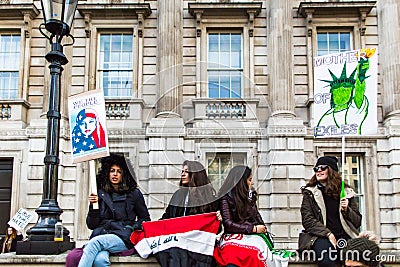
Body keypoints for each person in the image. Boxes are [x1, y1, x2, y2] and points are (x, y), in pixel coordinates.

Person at [76, 153, 151, 267]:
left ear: (124, 174)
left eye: (119, 171)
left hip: (123, 236)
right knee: (100, 260)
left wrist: (132, 228)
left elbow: (145, 218)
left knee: (94, 243)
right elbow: (91, 225)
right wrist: (93, 206)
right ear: (107, 173)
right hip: (102, 234)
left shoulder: (134, 194)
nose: (115, 174)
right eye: (112, 171)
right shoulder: (100, 193)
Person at [299, 156, 362, 267]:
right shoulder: (310, 193)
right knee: (326, 260)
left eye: (323, 167)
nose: (319, 171)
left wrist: (347, 210)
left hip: (344, 236)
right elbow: (308, 220)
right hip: (320, 236)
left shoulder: (346, 192)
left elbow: (357, 222)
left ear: (331, 170)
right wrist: (328, 234)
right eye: (316, 168)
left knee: (358, 259)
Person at [157, 160, 219, 267]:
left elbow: (214, 226)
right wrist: (152, 228)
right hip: (178, 239)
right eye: (182, 171)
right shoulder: (178, 195)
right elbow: (166, 218)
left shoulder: (210, 198)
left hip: (198, 242)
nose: (182, 174)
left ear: (196, 174)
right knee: (170, 252)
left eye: (186, 171)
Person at [214, 165, 270, 267]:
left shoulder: (250, 197)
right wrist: (252, 228)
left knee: (256, 255)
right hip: (231, 237)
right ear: (241, 182)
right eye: (249, 180)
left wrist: (250, 202)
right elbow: (228, 223)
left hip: (251, 237)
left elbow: (258, 219)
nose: (252, 183)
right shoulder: (225, 198)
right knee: (233, 258)